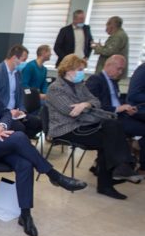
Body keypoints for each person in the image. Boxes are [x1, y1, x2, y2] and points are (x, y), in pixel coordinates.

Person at [0, 56, 87, 236]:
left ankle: (25, 215)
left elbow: (5, 112)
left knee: (25, 163)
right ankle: (54, 175)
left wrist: (2, 126)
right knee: (20, 136)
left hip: (2, 139)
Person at [46, 54, 141, 200]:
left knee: (112, 127)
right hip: (65, 129)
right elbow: (71, 112)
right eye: (80, 69)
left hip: (81, 124)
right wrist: (89, 108)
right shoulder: (55, 88)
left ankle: (117, 171)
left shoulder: (79, 85)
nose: (82, 72)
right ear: (69, 69)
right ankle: (114, 175)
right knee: (109, 137)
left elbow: (95, 101)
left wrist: (85, 104)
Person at [86, 55, 145, 173]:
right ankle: (132, 160)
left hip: (120, 116)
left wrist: (127, 107)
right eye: (119, 69)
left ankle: (133, 155)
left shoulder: (113, 82)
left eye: (122, 69)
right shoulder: (95, 80)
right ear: (108, 65)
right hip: (107, 119)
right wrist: (117, 108)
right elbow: (93, 105)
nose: (120, 72)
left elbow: (117, 101)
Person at [0, 44, 42, 137]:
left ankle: (23, 141)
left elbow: (20, 95)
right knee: (20, 128)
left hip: (16, 112)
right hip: (2, 113)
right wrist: (8, 112)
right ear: (15, 58)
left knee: (38, 123)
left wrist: (22, 110)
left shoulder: (17, 73)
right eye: (23, 60)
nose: (25, 63)